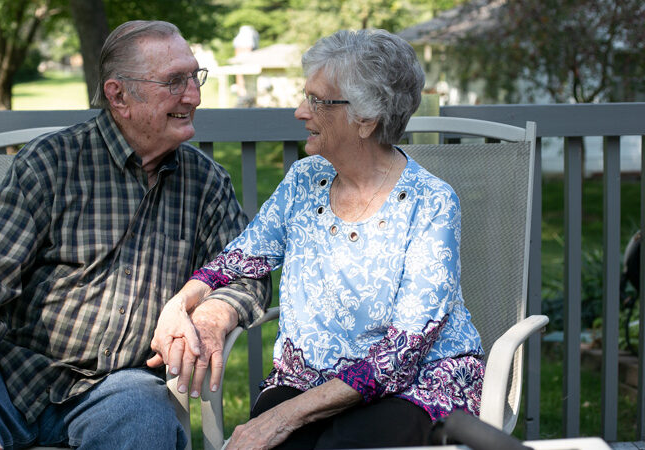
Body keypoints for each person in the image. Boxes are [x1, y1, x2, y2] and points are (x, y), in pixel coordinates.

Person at [0, 20, 270, 450]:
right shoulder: (51, 163)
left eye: (194, 77)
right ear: (119, 96)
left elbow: (247, 272)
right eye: (174, 81)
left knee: (144, 427)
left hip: (118, 387)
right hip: (12, 375)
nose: (192, 95)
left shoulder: (205, 182)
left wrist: (212, 315)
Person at [153, 29, 485, 449]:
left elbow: (399, 356)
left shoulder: (431, 203)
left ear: (366, 117)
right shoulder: (304, 180)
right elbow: (240, 259)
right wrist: (180, 304)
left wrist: (281, 418)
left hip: (415, 385)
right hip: (308, 377)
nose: (298, 111)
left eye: (316, 100)